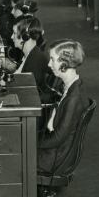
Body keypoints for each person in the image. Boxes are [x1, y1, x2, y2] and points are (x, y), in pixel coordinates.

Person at [38, 40, 87, 175]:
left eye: (52, 60)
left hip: (53, 159)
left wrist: (31, 143)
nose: (49, 64)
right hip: (54, 152)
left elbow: (58, 138)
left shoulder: (73, 98)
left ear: (64, 64)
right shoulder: (71, 86)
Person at [11, 15, 49, 95]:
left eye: (14, 33)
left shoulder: (34, 62)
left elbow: (26, 93)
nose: (11, 37)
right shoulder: (29, 53)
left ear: (25, 37)